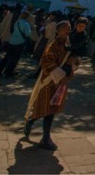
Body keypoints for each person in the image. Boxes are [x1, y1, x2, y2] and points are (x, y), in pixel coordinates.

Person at [24, 20, 76, 150]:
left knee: (51, 109)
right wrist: (61, 76)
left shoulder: (69, 44)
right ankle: (45, 138)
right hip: (51, 81)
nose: (68, 30)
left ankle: (32, 121)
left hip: (61, 81)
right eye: (65, 28)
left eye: (69, 28)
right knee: (49, 109)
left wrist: (74, 62)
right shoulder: (53, 45)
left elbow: (73, 60)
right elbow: (47, 62)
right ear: (58, 31)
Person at [0, 11, 33, 78]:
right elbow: (28, 34)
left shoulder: (17, 22)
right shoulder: (26, 24)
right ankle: (8, 72)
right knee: (15, 59)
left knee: (7, 57)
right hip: (20, 42)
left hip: (12, 41)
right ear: (28, 17)